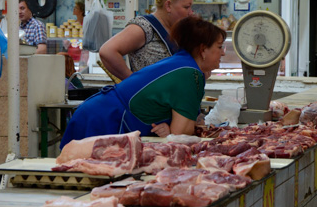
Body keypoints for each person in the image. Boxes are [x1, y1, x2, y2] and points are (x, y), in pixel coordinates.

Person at [60, 15, 225, 148]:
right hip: (104, 122)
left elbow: (177, 129)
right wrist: (172, 131)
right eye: (219, 47)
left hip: (98, 114)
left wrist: (171, 129)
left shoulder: (184, 64)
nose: (223, 53)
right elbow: (180, 135)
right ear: (203, 50)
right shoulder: (191, 73)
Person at [98, 0, 194, 81]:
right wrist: (133, 82)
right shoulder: (143, 27)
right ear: (168, 5)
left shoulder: (177, 31)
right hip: (148, 98)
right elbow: (107, 51)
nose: (190, 12)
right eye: (186, 7)